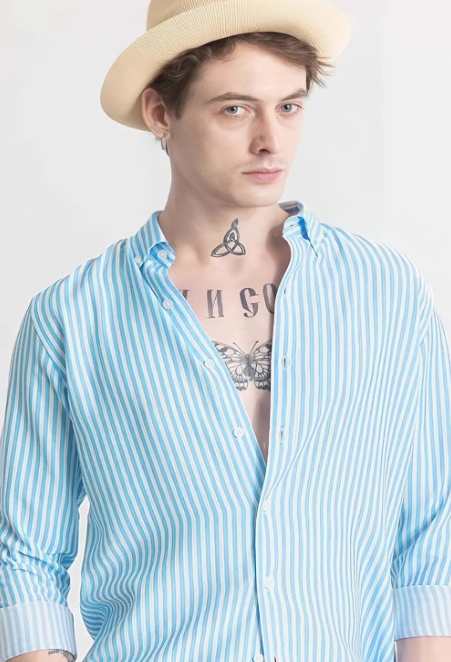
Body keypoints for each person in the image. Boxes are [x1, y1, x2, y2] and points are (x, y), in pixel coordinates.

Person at [1, 1, 451, 661]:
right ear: (161, 113)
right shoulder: (71, 319)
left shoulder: (385, 292)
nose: (271, 141)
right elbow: (27, 558)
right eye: (235, 109)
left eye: (289, 107)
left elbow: (427, 538)